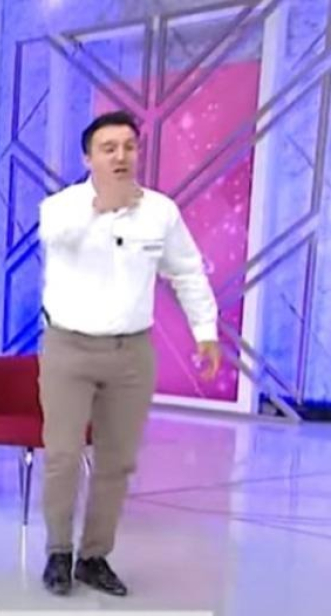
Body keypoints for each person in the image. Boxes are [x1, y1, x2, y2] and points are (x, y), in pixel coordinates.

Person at [38, 111, 221, 596]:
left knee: (117, 461)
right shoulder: (62, 206)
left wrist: (205, 331)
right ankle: (58, 551)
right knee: (63, 455)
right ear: (88, 158)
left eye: (129, 146)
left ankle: (93, 556)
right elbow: (55, 237)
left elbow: (187, 271)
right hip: (68, 348)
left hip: (131, 353)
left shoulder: (160, 211)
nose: (121, 156)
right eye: (109, 148)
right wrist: (101, 206)